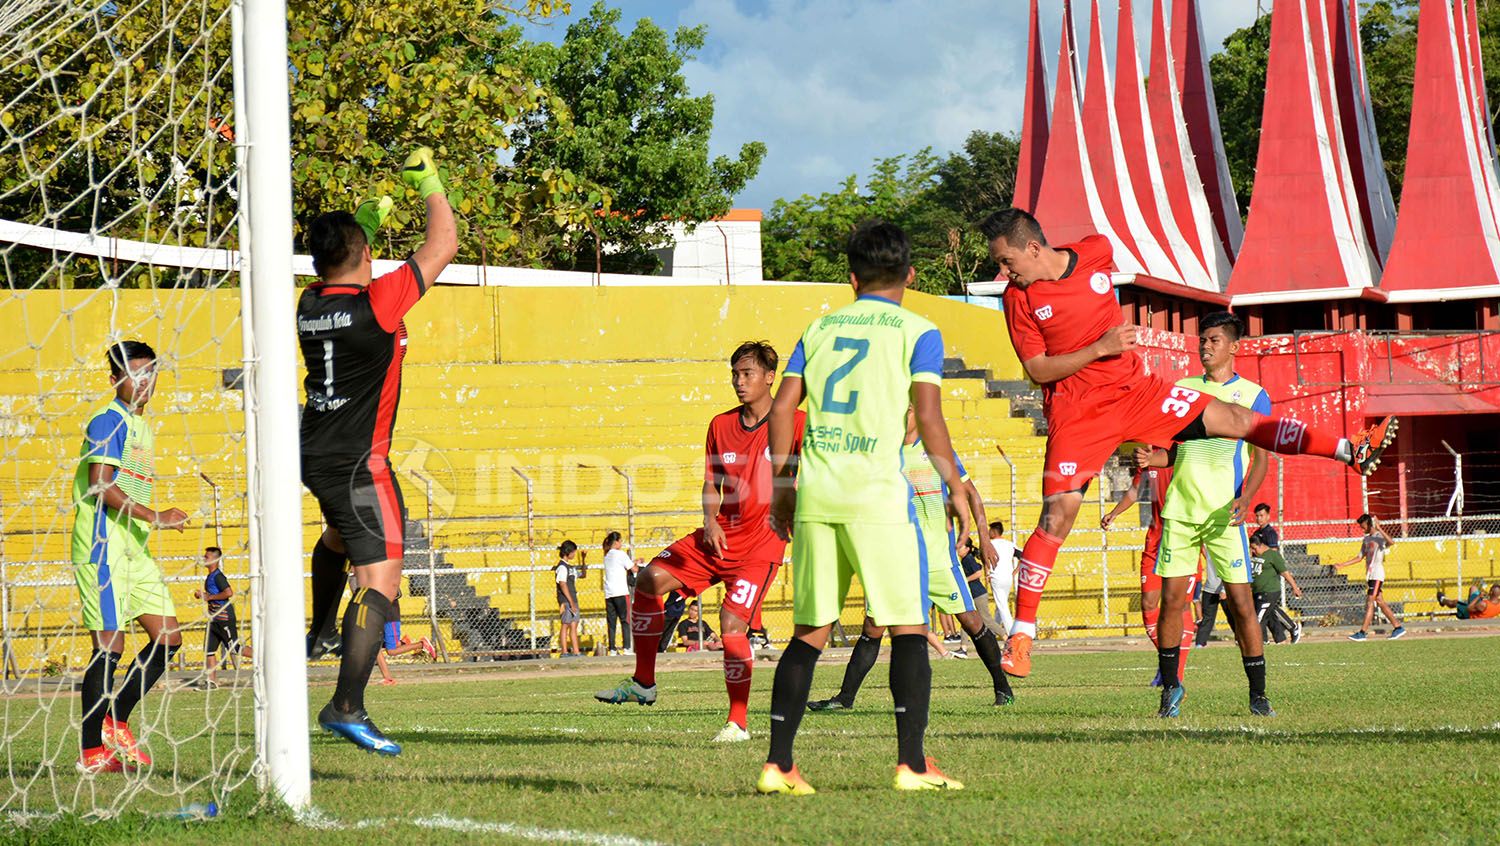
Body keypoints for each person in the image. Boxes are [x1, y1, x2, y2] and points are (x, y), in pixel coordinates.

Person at [979, 208, 1397, 680]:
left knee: (1239, 418)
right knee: (1059, 515)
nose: (1004, 272)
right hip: (1079, 413)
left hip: (1139, 394)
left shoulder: (1095, 251)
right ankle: (1021, 635)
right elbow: (1037, 371)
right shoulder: (1018, 298)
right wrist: (1100, 348)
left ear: (1034, 247)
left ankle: (1348, 449)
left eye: (1007, 260)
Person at [758, 220, 972, 795]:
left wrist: (782, 484)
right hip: (877, 496)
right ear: (911, 275)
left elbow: (781, 410)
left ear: (851, 277)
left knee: (810, 631)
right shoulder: (920, 330)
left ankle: (778, 764)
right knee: (908, 625)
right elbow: (927, 416)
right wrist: (956, 481)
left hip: (817, 495)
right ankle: (913, 766)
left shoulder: (820, 327)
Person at [296, 146, 457, 756]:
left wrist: (363, 226)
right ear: (365, 256)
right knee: (381, 583)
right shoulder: (378, 303)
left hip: (315, 452)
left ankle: (317, 631)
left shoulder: (309, 303)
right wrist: (430, 185)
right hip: (362, 463)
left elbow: (341, 265)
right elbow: (443, 242)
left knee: (339, 539)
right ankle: (346, 705)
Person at [595, 341, 806, 746]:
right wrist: (709, 519)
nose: (739, 382)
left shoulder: (795, 422)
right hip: (717, 536)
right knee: (650, 580)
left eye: (747, 374)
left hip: (760, 546)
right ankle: (643, 681)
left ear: (769, 378)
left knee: (730, 626)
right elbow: (711, 481)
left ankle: (738, 723)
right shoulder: (720, 424)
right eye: (734, 374)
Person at [807, 408, 1013, 715]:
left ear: (917, 411)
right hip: (895, 560)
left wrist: (983, 538)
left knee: (970, 621)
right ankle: (844, 698)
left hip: (938, 559)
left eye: (904, 410)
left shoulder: (936, 449)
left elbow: (970, 493)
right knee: (874, 626)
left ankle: (1003, 688)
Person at [1136, 311, 1278, 717]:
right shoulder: (1182, 389)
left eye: (1215, 340)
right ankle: (1171, 689)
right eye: (1203, 339)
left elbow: (1262, 460)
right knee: (1172, 602)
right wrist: (1154, 457)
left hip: (1224, 517)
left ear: (1234, 346)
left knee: (1241, 604)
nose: (1206, 345)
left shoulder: (1253, 396)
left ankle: (1258, 694)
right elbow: (1175, 451)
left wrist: (1245, 498)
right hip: (1180, 514)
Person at [71, 341, 190, 773]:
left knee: (169, 638)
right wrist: (156, 515)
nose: (143, 382)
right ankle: (91, 753)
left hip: (133, 548)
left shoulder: (142, 427)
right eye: (135, 374)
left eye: (149, 373)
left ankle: (115, 718)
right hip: (102, 547)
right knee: (110, 645)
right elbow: (101, 486)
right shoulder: (107, 421)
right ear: (115, 379)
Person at [1101, 463, 1199, 687]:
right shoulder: (1148, 458)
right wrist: (1114, 513)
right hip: (1155, 541)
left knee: (1181, 606)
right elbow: (1135, 490)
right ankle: (1168, 662)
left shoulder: (1183, 450)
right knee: (1148, 604)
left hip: (1185, 540)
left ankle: (1174, 676)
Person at [1332, 514, 1407, 641]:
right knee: (1380, 602)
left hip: (1377, 574)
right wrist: (1342, 565)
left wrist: (1380, 528)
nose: (1362, 529)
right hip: (1370, 575)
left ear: (1369, 524)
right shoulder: (1366, 539)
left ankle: (1362, 633)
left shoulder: (1379, 537)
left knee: (1369, 602)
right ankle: (1398, 627)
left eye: (1363, 526)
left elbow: (1391, 542)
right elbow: (1359, 557)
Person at [194, 546, 252, 689]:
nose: (203, 559)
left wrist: (209, 597)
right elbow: (212, 596)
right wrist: (204, 596)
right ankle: (211, 681)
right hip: (213, 619)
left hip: (224, 618)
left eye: (206, 557)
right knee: (209, 650)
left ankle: (264, 659)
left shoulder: (218, 576)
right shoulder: (210, 576)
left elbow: (229, 592)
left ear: (215, 560)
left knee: (235, 648)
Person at [1249, 535, 1303, 644]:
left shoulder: (1272, 555)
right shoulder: (1253, 555)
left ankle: (1261, 641)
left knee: (1258, 618)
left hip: (1270, 590)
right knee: (1271, 614)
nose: (1253, 551)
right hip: (1257, 591)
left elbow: (1285, 572)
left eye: (1254, 548)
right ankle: (1282, 637)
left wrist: (1295, 587)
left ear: (1261, 545)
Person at [374, 603, 436, 685]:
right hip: (378, 617)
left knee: (391, 651)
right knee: (374, 645)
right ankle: (388, 678)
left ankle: (422, 644)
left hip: (390, 618)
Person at [960, 539, 1004, 637]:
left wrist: (965, 580)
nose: (958, 549)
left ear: (967, 549)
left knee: (987, 620)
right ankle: (963, 648)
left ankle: (1006, 638)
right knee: (966, 619)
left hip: (978, 594)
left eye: (960, 546)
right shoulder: (965, 559)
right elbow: (979, 567)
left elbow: (978, 573)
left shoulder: (968, 559)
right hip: (972, 594)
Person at [601, 532, 636, 655]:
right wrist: (637, 563)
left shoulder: (607, 555)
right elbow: (634, 569)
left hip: (609, 593)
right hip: (621, 591)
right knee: (625, 620)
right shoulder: (621, 554)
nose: (621, 544)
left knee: (612, 622)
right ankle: (626, 647)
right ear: (616, 542)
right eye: (620, 541)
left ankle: (612, 649)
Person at [987, 522, 1017, 632]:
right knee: (1000, 604)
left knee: (1002, 606)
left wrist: (988, 572)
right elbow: (1023, 556)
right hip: (1008, 578)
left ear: (994, 532)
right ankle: (994, 631)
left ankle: (1012, 632)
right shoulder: (1010, 544)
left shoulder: (990, 544)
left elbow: (983, 557)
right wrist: (1015, 571)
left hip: (996, 578)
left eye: (990, 530)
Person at [555, 541, 583, 657]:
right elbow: (562, 584)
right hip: (566, 600)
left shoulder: (569, 567)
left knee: (574, 625)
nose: (574, 554)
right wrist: (571, 602)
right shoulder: (562, 567)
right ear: (568, 552)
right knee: (565, 624)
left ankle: (576, 651)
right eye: (573, 552)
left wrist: (583, 559)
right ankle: (564, 651)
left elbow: (583, 575)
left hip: (573, 599)